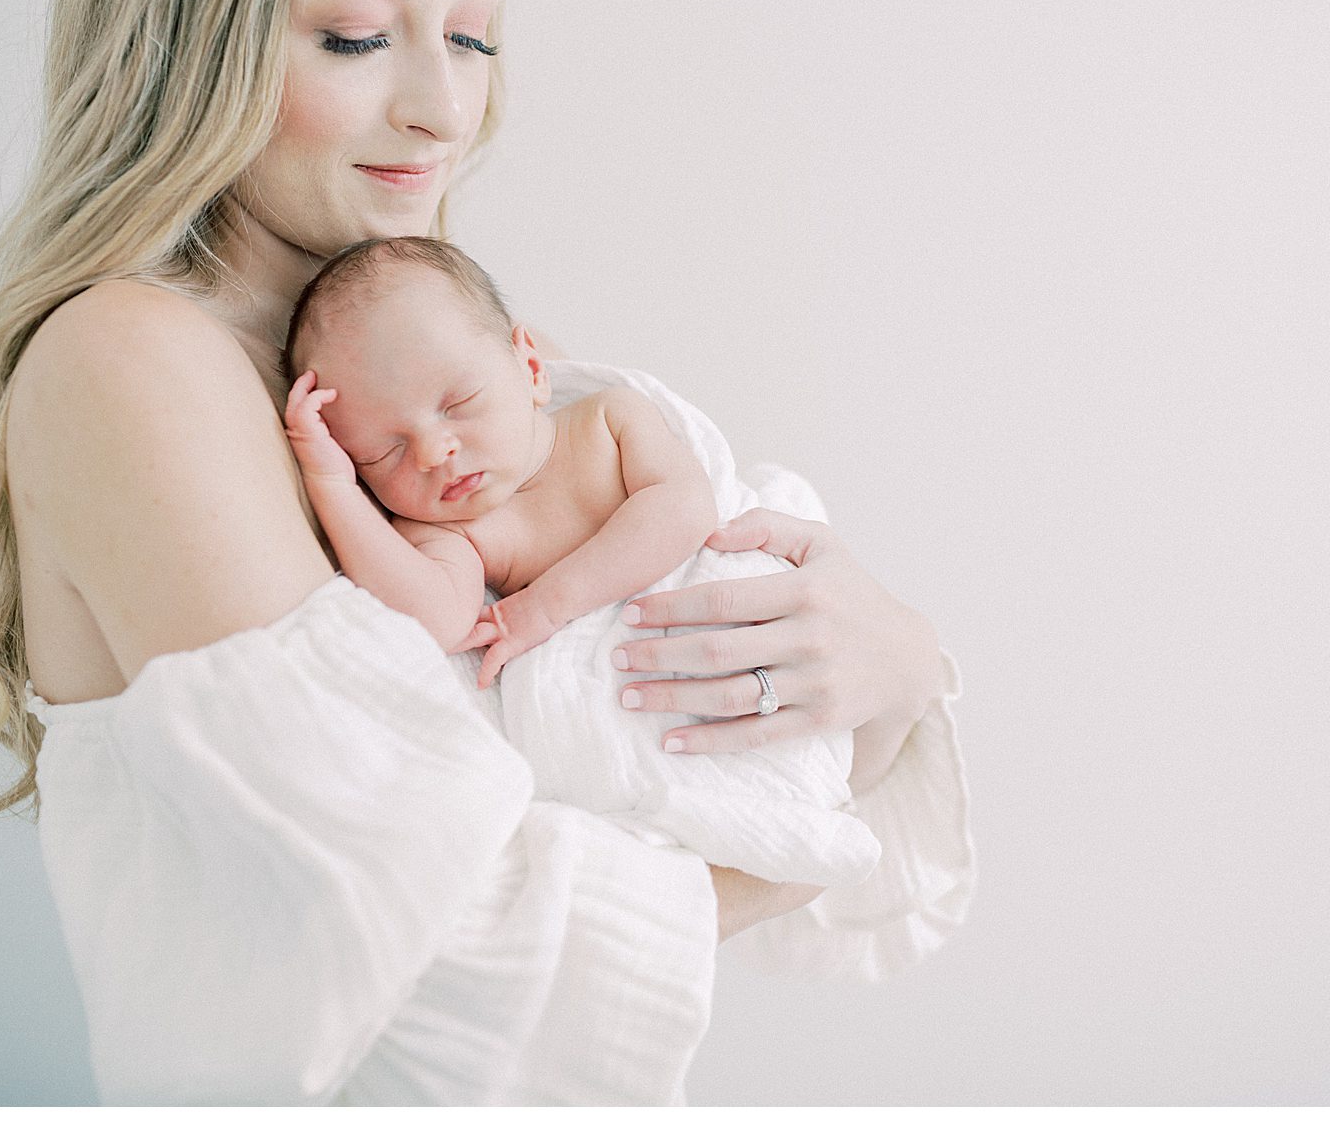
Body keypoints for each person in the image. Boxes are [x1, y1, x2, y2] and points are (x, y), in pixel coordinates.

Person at [0, 0, 972, 1104]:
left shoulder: (445, 381)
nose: (443, 105)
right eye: (354, 36)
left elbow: (610, 769)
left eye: (473, 34)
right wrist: (867, 758)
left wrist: (866, 672)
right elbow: (447, 953)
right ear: (187, 32)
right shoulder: (135, 365)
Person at [282, 234, 881, 888]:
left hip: (736, 638)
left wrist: (544, 606)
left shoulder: (607, 421)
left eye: (458, 405)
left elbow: (685, 509)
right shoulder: (457, 532)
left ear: (531, 369)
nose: (434, 452)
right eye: (382, 452)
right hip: (636, 710)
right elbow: (437, 617)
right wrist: (335, 488)